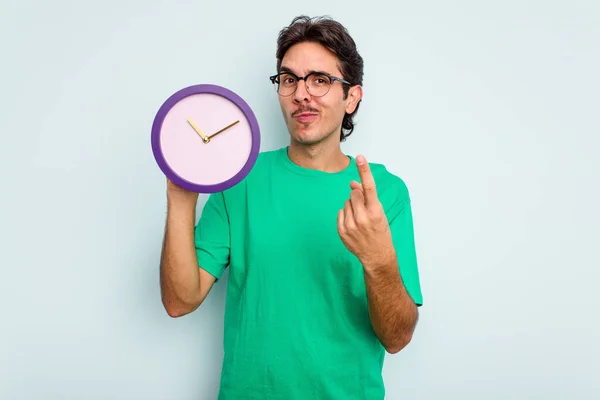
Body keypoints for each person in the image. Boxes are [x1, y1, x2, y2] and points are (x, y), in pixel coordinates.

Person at [159, 14, 424, 400]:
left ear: (351, 97)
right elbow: (180, 301)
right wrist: (181, 198)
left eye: (321, 80)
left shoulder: (384, 193)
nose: (302, 93)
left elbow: (397, 338)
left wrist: (379, 259)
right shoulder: (240, 180)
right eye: (289, 79)